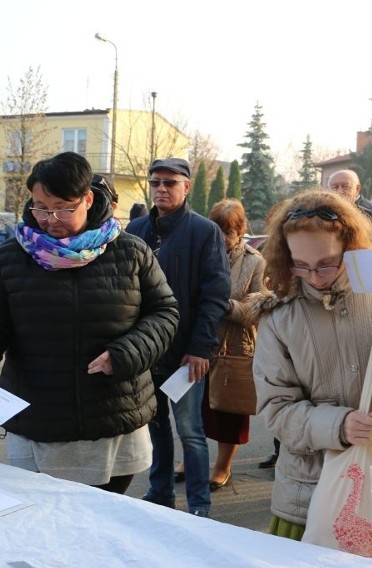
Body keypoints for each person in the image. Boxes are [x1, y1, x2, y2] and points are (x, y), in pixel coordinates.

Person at [0, 152, 179, 496]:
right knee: (45, 513)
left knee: (104, 514)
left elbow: (165, 312)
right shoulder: (12, 256)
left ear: (87, 198)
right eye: (41, 206)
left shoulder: (129, 251)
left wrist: (125, 353)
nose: (50, 219)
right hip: (40, 414)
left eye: (63, 207)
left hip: (114, 410)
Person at [251, 190, 372, 540]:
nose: (315, 276)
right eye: (301, 265)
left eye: (327, 262)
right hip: (307, 493)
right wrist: (337, 425)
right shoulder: (278, 315)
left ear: (351, 248)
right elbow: (276, 411)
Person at [126, 157, 230, 518]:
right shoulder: (136, 229)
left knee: (190, 430)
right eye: (155, 182)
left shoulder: (204, 232)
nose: (161, 189)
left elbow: (215, 294)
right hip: (145, 351)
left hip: (187, 353)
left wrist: (201, 348)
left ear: (186, 187)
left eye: (170, 183)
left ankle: (199, 503)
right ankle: (160, 493)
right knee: (155, 428)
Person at [203, 199, 266, 491]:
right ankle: (195, 456)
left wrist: (225, 306)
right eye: (216, 229)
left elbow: (258, 308)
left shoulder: (254, 261)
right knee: (197, 409)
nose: (221, 238)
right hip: (200, 342)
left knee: (228, 412)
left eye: (227, 231)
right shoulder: (201, 251)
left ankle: (222, 466)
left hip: (234, 345)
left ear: (241, 231)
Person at [326, 169, 372, 240]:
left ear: (357, 189)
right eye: (335, 187)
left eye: (345, 186)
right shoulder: (323, 212)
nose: (340, 191)